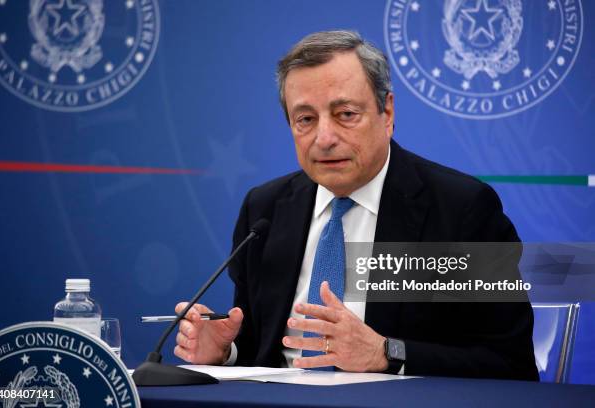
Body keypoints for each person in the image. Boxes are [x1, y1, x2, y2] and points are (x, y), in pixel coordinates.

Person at [174, 30, 539, 380]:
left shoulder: (461, 210)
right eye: (306, 119)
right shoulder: (265, 210)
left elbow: (510, 363)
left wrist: (386, 353)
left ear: (388, 113)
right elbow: (261, 350)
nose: (325, 138)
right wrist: (224, 354)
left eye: (346, 114)